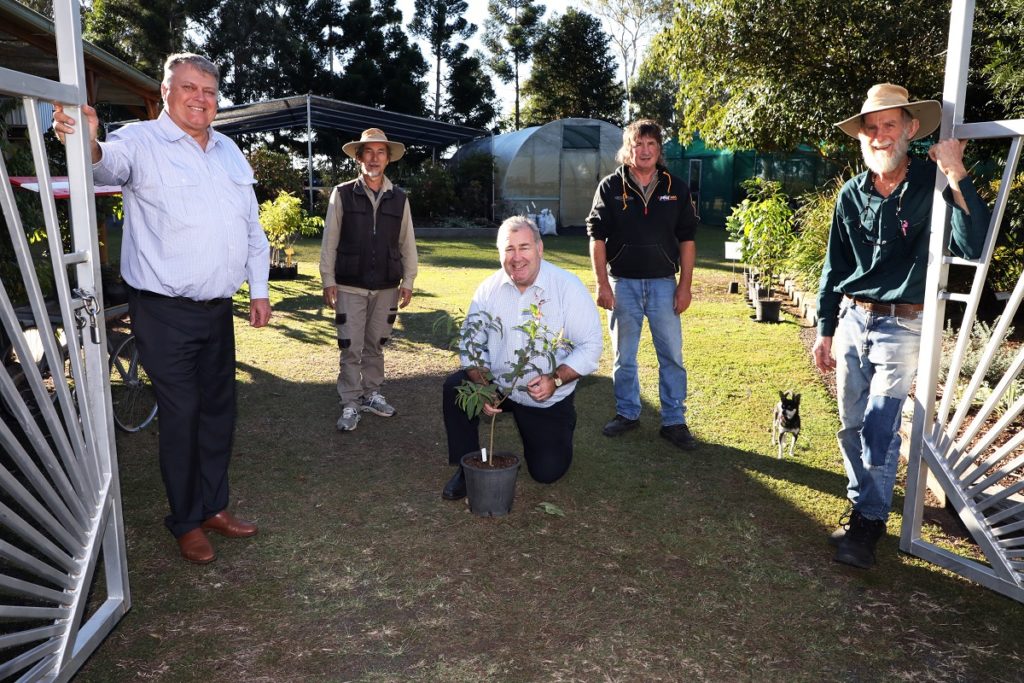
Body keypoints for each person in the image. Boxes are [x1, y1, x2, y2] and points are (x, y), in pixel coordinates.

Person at [52, 53, 271, 564]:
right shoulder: (140, 141)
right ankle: (186, 520)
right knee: (182, 413)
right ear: (167, 91)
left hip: (218, 310)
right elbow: (107, 161)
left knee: (219, 412)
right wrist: (88, 141)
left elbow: (251, 228)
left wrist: (258, 290)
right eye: (189, 88)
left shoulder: (230, 151)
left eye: (210, 91)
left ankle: (214, 505)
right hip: (163, 310)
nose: (201, 98)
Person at [814, 83, 990, 569]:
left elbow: (972, 245)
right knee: (851, 425)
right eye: (871, 128)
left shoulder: (934, 185)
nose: (879, 135)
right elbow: (835, 266)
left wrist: (956, 171)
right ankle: (859, 505)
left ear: (911, 129)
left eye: (889, 124)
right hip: (852, 319)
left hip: (901, 327)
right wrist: (825, 328)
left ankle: (869, 524)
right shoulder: (852, 193)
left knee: (879, 427)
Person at [441, 216, 602, 500]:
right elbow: (470, 345)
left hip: (545, 394)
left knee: (547, 472)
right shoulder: (488, 290)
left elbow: (590, 347)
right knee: (455, 387)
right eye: (509, 249)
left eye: (524, 247)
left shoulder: (567, 287)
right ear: (499, 253)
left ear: (540, 249)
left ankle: (562, 421)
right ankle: (468, 468)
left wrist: (555, 379)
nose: (517, 258)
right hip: (501, 385)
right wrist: (483, 384)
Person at [586, 119, 699, 450]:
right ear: (628, 149)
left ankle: (674, 421)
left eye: (651, 144)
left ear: (659, 150)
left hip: (665, 284)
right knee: (625, 357)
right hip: (623, 286)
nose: (645, 150)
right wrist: (602, 284)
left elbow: (688, 239)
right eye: (638, 144)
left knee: (672, 357)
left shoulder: (676, 188)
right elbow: (596, 236)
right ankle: (627, 413)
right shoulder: (610, 187)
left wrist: (685, 286)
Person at [319, 128, 417, 432]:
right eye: (368, 152)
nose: (374, 158)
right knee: (351, 346)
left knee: (376, 343)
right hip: (349, 284)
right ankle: (350, 401)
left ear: (387, 159)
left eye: (381, 152)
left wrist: (409, 280)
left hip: (387, 286)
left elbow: (407, 243)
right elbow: (329, 240)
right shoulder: (343, 193)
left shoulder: (399, 198)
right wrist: (327, 278)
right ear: (359, 158)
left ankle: (372, 393)